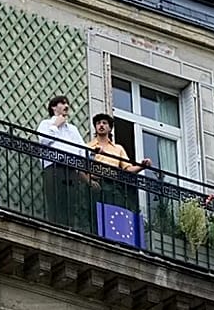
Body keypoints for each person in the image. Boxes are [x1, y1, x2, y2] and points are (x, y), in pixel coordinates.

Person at [35, 95, 92, 230]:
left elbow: (81, 149)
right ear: (53, 107)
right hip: (53, 167)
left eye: (67, 103)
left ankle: (69, 228)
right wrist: (55, 126)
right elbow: (43, 140)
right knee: (55, 199)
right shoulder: (46, 124)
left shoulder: (72, 129)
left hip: (71, 169)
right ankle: (55, 227)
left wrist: (92, 153)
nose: (66, 106)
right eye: (62, 103)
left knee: (70, 201)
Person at [87, 112, 149, 213]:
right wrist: (89, 181)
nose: (101, 125)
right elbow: (85, 165)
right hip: (96, 183)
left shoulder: (118, 148)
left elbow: (128, 168)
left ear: (110, 128)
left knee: (111, 213)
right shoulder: (89, 146)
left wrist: (142, 166)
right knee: (95, 214)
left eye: (104, 123)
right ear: (95, 127)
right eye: (98, 123)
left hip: (113, 185)